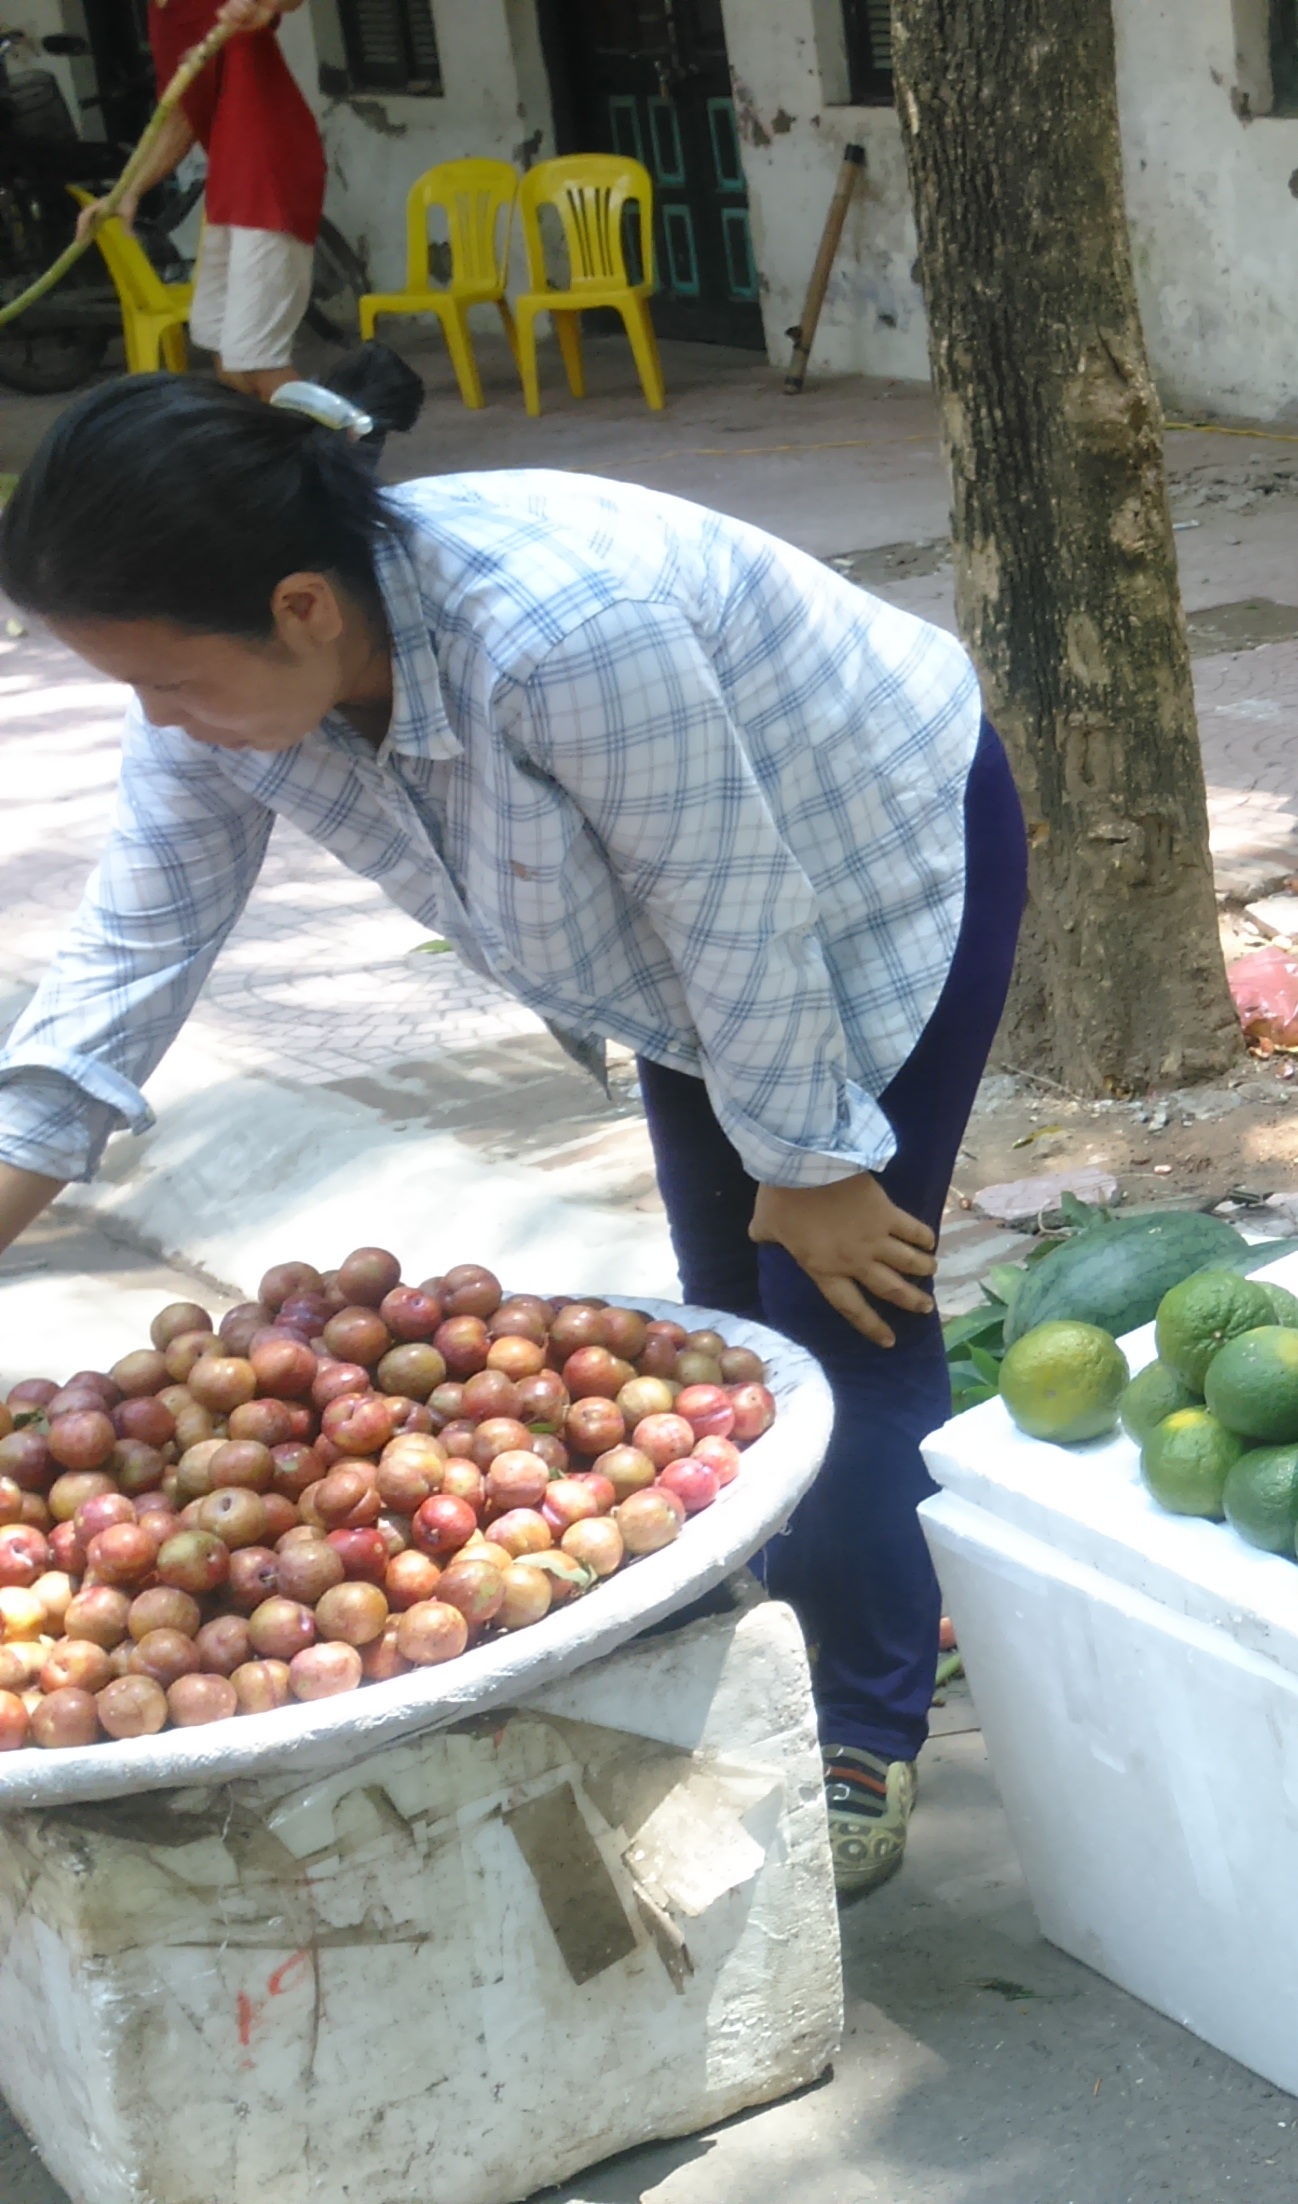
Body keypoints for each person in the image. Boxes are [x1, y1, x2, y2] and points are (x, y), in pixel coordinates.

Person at [0, 354, 1017, 1903]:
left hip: (868, 857)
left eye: (172, 683)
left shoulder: (559, 634)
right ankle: (776, 1627)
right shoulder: (222, 696)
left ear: (300, 608)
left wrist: (813, 1163)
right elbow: (123, 966)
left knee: (840, 1308)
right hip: (681, 936)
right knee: (729, 1332)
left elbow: (735, 910)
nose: (162, 722)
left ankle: (863, 1727)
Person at [79, 0, 327, 398]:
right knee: (222, 350)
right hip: (229, 183)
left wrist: (265, 5)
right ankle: (256, 440)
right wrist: (127, 192)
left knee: (259, 361)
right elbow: (183, 115)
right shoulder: (161, 16)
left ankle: (346, 434)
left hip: (269, 178)